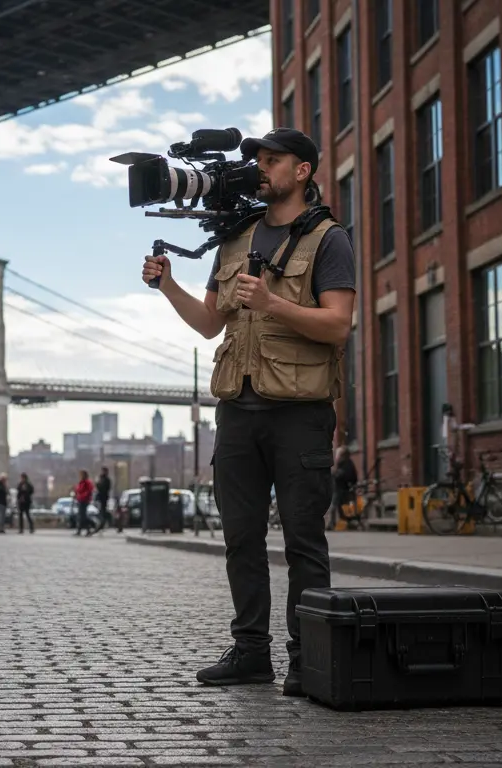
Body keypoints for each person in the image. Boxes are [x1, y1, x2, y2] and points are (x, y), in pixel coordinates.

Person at [140, 127, 356, 694]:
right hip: (238, 409)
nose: (261, 167)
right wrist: (169, 286)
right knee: (240, 539)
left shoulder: (329, 239)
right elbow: (210, 324)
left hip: (300, 414)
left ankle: (309, 660)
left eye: (273, 159)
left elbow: (338, 325)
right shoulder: (235, 237)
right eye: (258, 159)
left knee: (304, 543)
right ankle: (251, 653)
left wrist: (272, 303)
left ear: (302, 171)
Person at [73, 470, 96, 536]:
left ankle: (87, 528)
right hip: (80, 499)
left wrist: (84, 495)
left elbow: (89, 490)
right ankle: (81, 530)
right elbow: (78, 489)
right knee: (81, 516)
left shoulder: (87, 482)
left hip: (84, 500)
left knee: (82, 516)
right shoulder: (81, 482)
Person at [93, 466, 113, 533]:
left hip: (103, 497)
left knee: (102, 511)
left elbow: (104, 488)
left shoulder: (106, 479)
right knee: (102, 511)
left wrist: (98, 484)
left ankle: (103, 523)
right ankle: (104, 522)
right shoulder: (101, 478)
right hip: (100, 497)